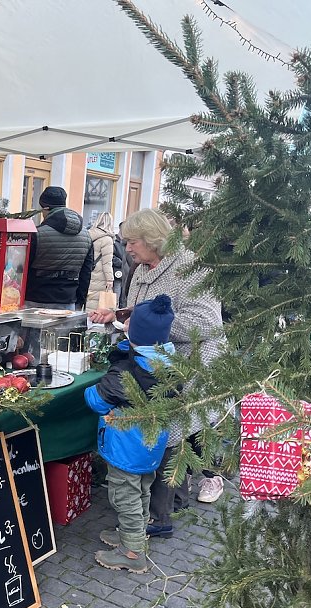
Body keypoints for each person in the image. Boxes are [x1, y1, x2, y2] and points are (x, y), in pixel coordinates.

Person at [88, 208, 226, 535]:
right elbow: (144, 310)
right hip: (156, 362)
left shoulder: (191, 268)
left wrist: (149, 326)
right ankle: (168, 505)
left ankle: (158, 518)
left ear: (152, 240)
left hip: (191, 364)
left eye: (132, 242)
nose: (127, 248)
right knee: (162, 434)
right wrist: (118, 314)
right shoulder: (141, 268)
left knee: (168, 435)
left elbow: (208, 323)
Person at [85, 294, 176, 573]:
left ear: (134, 332)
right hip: (151, 446)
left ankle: (133, 552)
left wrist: (92, 389)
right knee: (143, 490)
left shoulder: (128, 371)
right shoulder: (169, 363)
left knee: (124, 496)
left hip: (126, 447)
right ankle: (133, 533)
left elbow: (97, 400)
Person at [24, 186, 93, 310]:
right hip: (68, 301)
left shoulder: (37, 234)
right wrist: (79, 302)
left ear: (45, 208)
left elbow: (24, 267)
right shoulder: (86, 236)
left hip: (35, 300)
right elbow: (86, 273)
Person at [86, 211, 115, 311]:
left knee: (88, 298)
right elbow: (107, 262)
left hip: (87, 272)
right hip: (100, 275)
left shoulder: (88, 235)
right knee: (97, 302)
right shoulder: (107, 239)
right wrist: (110, 279)